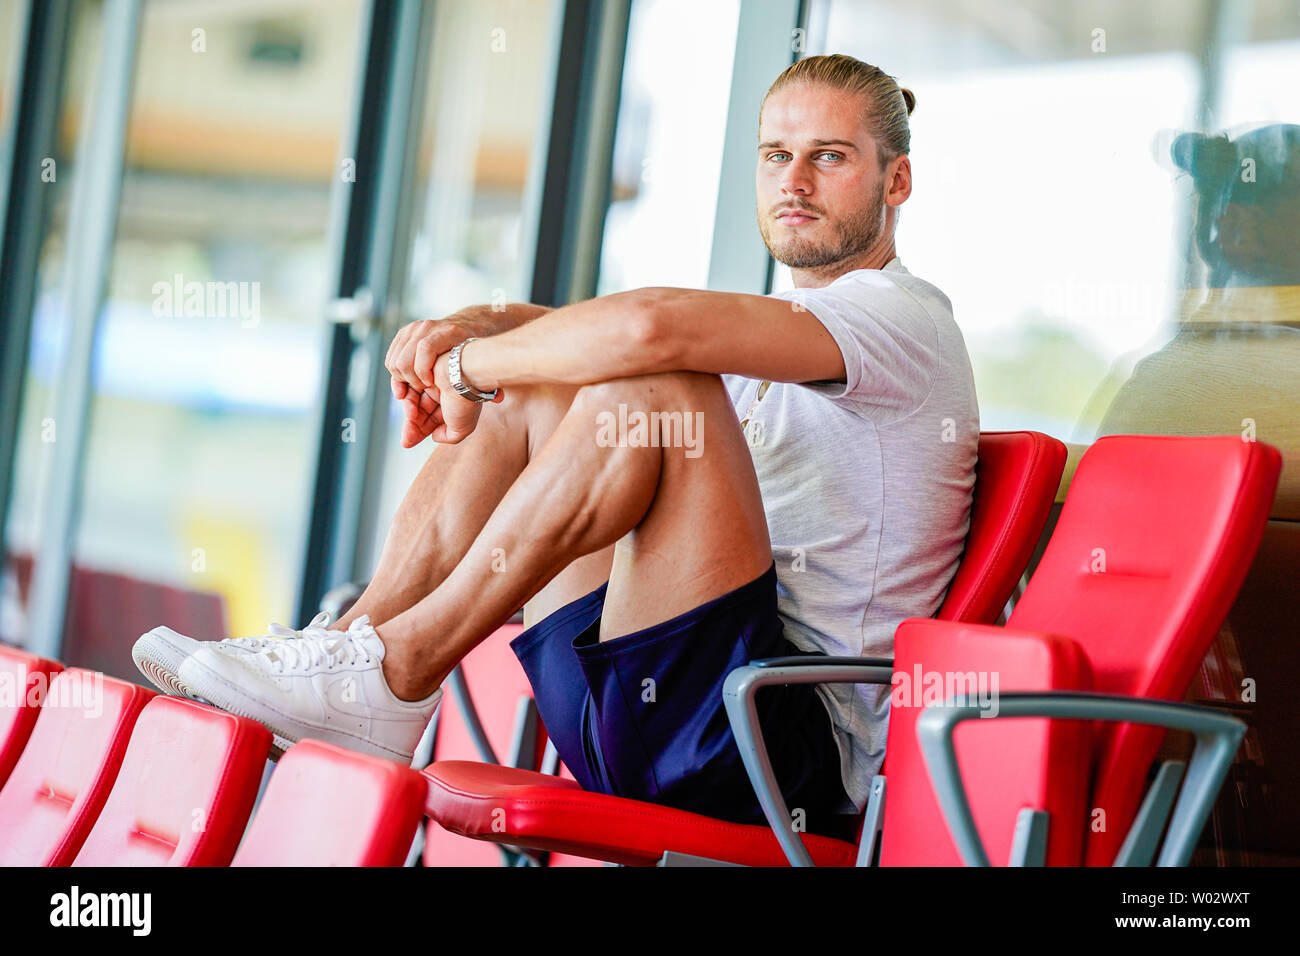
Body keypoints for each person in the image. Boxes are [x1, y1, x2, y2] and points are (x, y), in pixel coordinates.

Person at [133, 54, 978, 839]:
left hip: (774, 751)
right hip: (647, 704)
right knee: (542, 383)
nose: (793, 181)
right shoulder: (783, 336)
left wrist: (465, 365)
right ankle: (354, 658)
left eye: (828, 157)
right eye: (774, 155)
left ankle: (400, 668)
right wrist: (477, 331)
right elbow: (585, 337)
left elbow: (648, 331)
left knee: (656, 382)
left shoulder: (899, 318)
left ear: (894, 180)